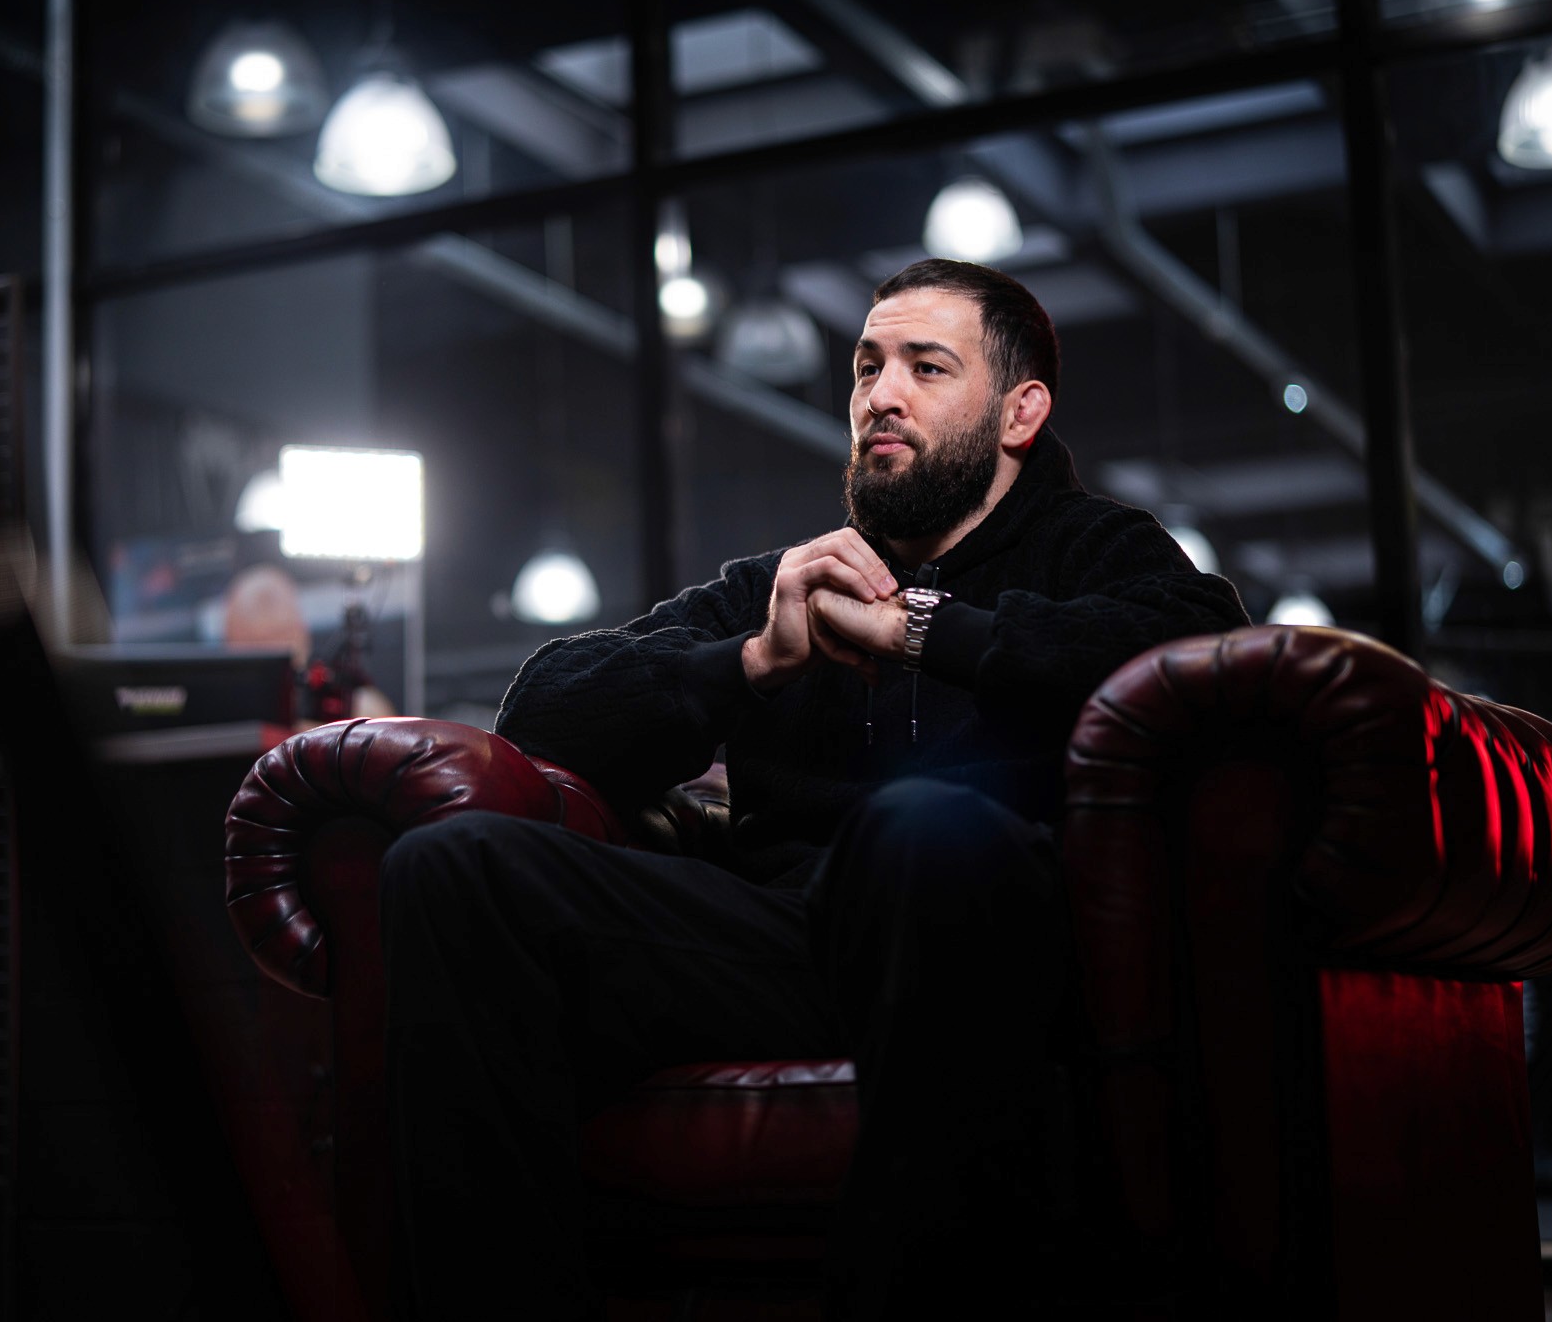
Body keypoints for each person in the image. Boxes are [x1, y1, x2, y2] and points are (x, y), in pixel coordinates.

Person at [377, 259, 1250, 1319]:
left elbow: (1202, 647)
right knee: (448, 865)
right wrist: (748, 659)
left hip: (988, 940)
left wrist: (923, 628)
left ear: (1018, 413)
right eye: (867, 367)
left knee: (919, 825)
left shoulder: (1092, 548)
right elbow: (542, 712)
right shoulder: (787, 579)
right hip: (792, 941)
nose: (880, 394)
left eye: (926, 367)